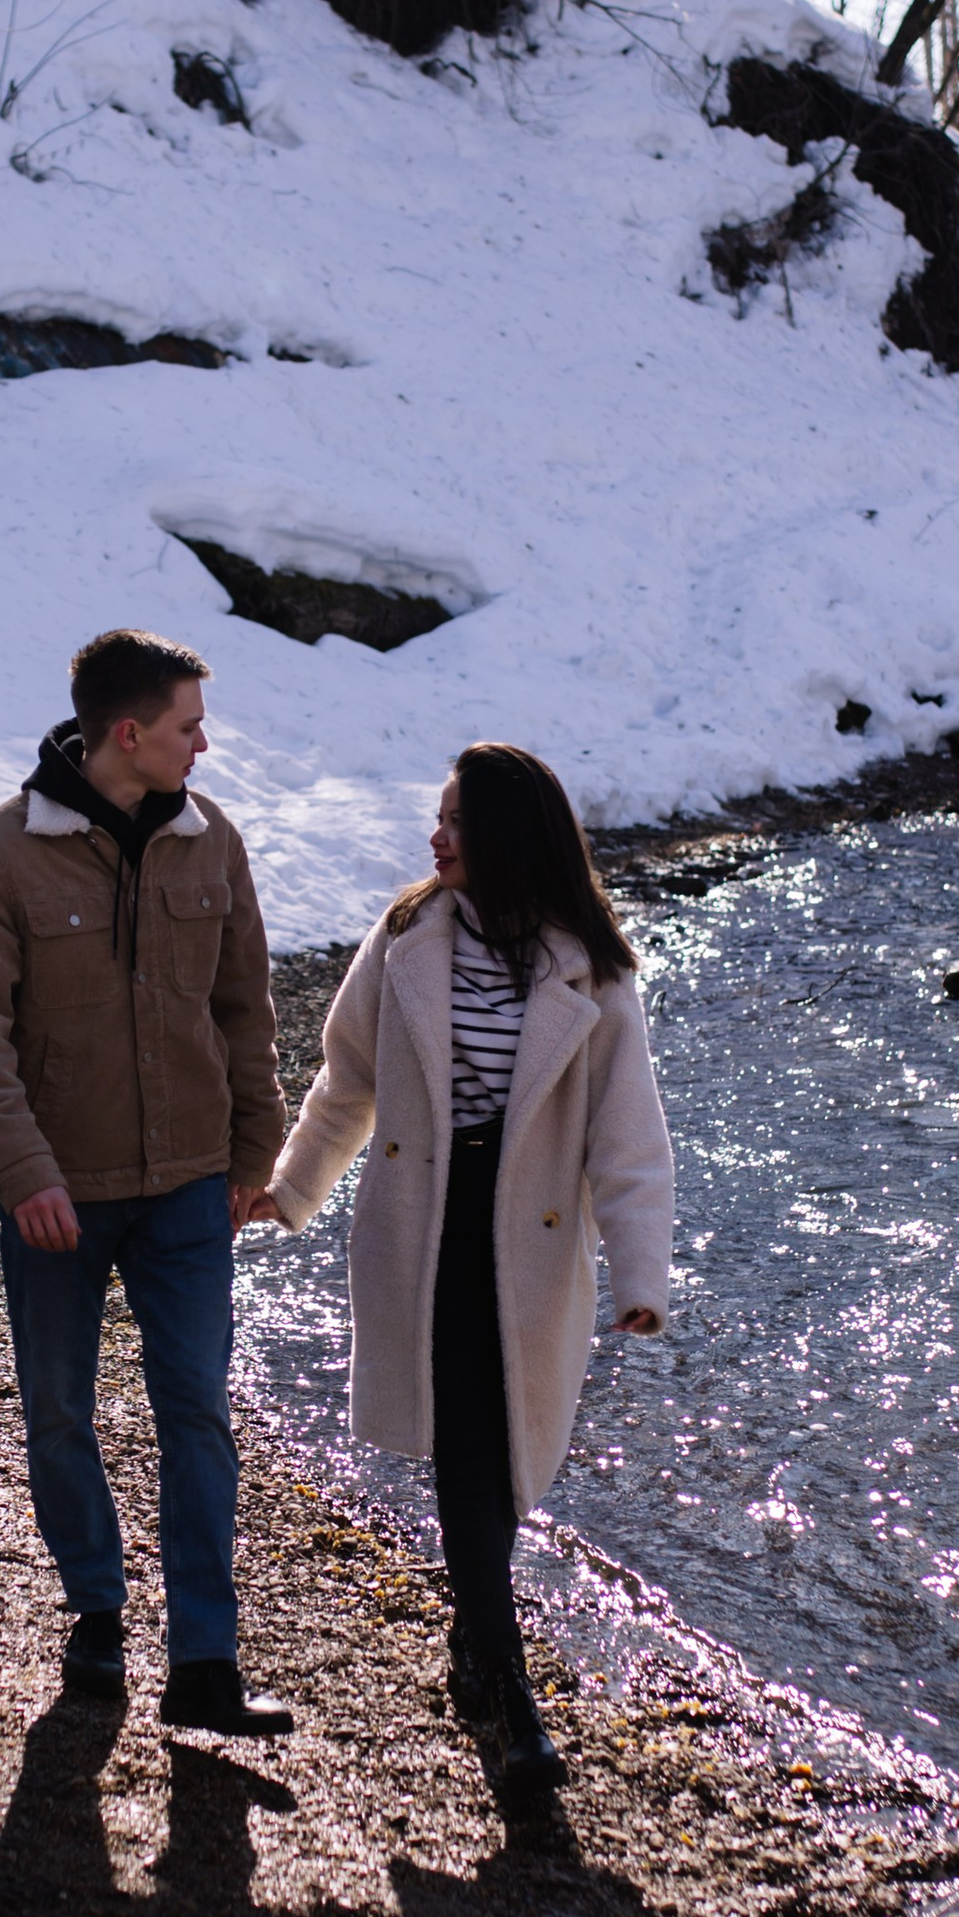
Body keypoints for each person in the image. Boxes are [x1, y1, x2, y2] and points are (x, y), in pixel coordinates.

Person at [263, 742, 673, 1806]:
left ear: (508, 836)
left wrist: (639, 1273)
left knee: (496, 1445)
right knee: (467, 1443)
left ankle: (478, 1654)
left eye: (455, 821)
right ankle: (501, 1680)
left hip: (529, 1239)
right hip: (423, 1224)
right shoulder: (406, 938)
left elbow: (626, 1142)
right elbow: (344, 1083)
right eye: (437, 818)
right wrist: (292, 1186)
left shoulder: (591, 968)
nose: (435, 836)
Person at [0, 628, 293, 1737]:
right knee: (59, 1412)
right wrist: (25, 1173)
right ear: (128, 734)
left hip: (189, 1186)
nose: (204, 744)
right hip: (58, 1196)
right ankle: (96, 1610)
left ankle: (205, 1663)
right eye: (189, 725)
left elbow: (245, 1011)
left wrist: (253, 1159)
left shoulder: (209, 839)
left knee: (196, 1410)